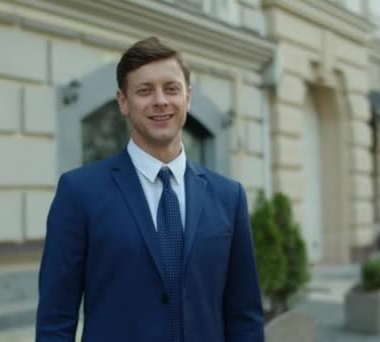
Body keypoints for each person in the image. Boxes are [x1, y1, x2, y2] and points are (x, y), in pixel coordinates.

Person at [36, 36, 264, 342]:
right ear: (123, 102)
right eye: (145, 90)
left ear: (188, 98)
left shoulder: (228, 196)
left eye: (171, 88)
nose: (160, 100)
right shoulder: (79, 193)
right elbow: (55, 318)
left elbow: (244, 315)